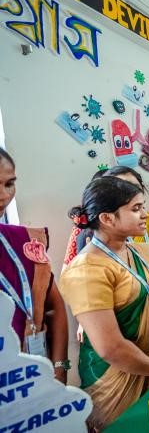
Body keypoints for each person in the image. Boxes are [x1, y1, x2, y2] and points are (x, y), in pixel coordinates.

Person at [60, 177, 149, 429]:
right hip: (116, 381)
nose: (145, 215)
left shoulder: (141, 251)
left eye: (143, 206)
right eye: (135, 209)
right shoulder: (87, 269)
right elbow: (110, 348)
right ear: (107, 218)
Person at [0, 148, 69, 383]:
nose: (3, 195)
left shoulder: (23, 241)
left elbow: (54, 306)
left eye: (9, 184)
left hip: (33, 377)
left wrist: (60, 370)